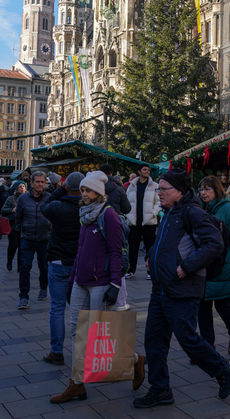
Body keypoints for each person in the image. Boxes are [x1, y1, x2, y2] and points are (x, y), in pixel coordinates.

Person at [133, 170, 230, 408]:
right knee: (154, 341)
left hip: (183, 288)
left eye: (163, 189)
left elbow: (214, 243)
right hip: (160, 289)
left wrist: (186, 268)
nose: (159, 193)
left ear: (178, 191)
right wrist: (150, 255)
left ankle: (222, 369)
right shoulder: (169, 212)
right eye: (159, 189)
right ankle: (160, 390)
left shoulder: (192, 212)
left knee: (188, 339)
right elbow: (162, 243)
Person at [50, 170, 145, 403]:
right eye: (82, 189)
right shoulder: (85, 214)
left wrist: (114, 283)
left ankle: (135, 360)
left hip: (100, 283)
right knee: (76, 331)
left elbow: (115, 252)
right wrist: (72, 278)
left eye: (88, 190)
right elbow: (81, 251)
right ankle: (77, 384)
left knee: (99, 336)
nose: (84, 194)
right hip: (80, 282)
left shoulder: (108, 215)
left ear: (99, 193)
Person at [197, 176, 230, 356]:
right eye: (202, 189)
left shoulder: (229, 210)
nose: (203, 192)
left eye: (208, 189)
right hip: (203, 266)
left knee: (222, 304)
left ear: (217, 190)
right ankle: (207, 348)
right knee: (202, 307)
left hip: (223, 266)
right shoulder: (200, 209)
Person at [41, 172, 84, 367]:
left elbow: (45, 205)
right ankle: (82, 352)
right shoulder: (88, 208)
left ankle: (57, 351)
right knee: (82, 311)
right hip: (80, 263)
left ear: (66, 187)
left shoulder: (58, 207)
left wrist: (60, 188)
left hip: (58, 262)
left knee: (57, 309)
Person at [15, 170, 52, 310]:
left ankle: (43, 288)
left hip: (44, 238)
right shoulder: (23, 199)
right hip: (28, 238)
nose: (40, 184)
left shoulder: (49, 198)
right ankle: (23, 296)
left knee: (44, 266)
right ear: (31, 183)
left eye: (43, 182)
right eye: (37, 182)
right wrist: (23, 229)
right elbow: (18, 218)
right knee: (25, 267)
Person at [126, 164, 160, 278]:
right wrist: (128, 215)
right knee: (132, 247)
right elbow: (127, 202)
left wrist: (153, 213)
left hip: (149, 221)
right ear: (139, 171)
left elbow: (159, 202)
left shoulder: (155, 185)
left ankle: (150, 271)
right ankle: (131, 270)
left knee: (150, 247)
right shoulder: (131, 186)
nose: (147, 171)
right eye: (144, 170)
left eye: (148, 170)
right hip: (134, 221)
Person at [1, 182, 26, 271]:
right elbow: (3, 210)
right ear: (16, 189)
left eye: (23, 186)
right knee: (13, 245)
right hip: (13, 226)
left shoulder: (28, 198)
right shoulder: (11, 198)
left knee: (22, 247)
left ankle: (20, 266)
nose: (22, 188)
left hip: (25, 227)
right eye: (20, 187)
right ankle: (9, 261)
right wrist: (12, 209)